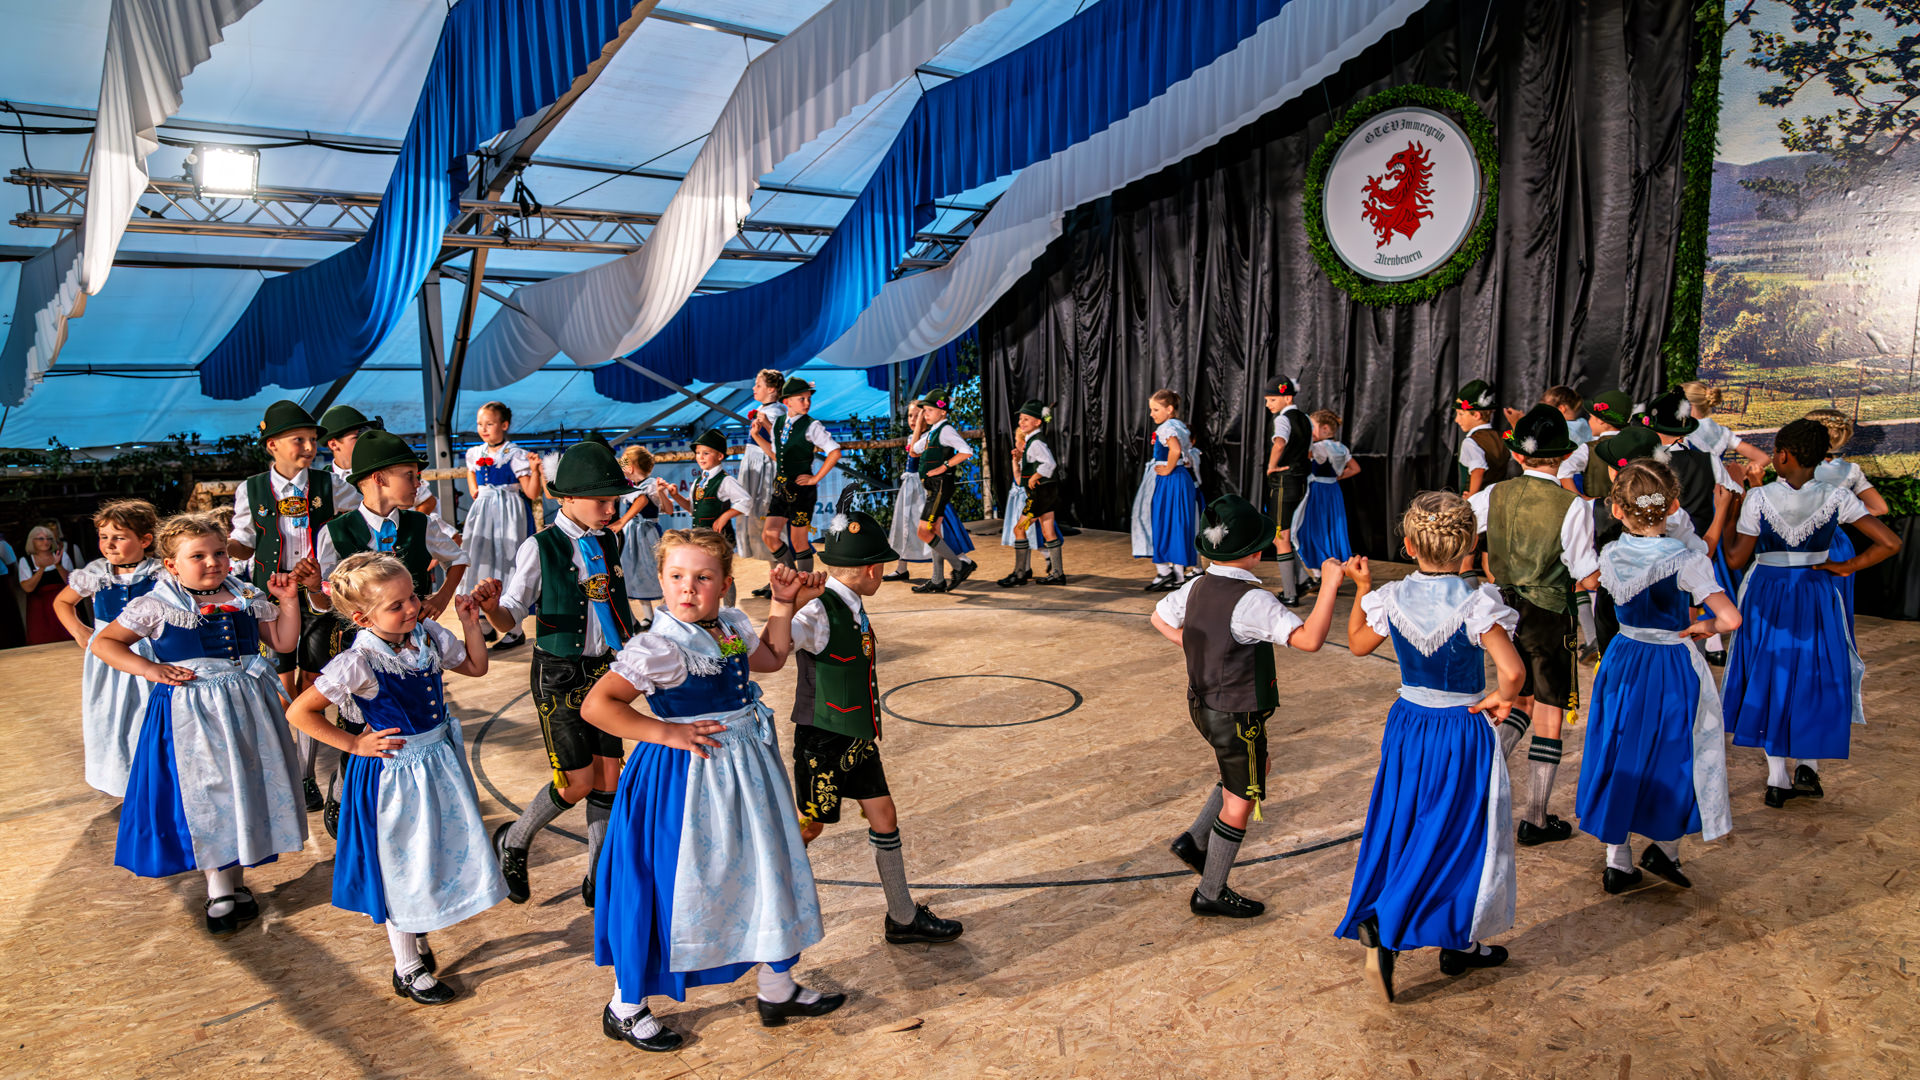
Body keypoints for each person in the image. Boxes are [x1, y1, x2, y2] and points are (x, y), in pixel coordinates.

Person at [580, 529, 840, 1052]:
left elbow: (771, 658)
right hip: (684, 779)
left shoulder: (729, 626)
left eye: (702, 578)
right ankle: (625, 1006)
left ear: (724, 585)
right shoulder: (658, 646)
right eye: (676, 576)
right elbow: (597, 706)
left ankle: (777, 987)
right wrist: (667, 732)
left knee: (763, 868)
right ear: (660, 581)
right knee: (667, 885)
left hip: (746, 771)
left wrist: (784, 604)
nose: (688, 588)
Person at [284, 553, 507, 1005]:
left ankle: (416, 929)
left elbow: (475, 667)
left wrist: (469, 623)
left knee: (430, 854)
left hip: (438, 762)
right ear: (363, 618)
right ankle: (407, 968)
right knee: (401, 865)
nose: (411, 609)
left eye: (412, 597)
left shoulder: (426, 635)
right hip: (395, 775)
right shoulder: (358, 661)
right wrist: (354, 744)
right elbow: (300, 712)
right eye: (396, 605)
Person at [1334, 492, 1524, 1003]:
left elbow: (1357, 644)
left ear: (1409, 545)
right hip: (1460, 728)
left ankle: (1454, 941)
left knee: (1405, 824)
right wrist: (1502, 699)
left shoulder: (1391, 597)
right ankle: (1394, 923)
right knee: (1457, 834)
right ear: (1469, 545)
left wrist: (1363, 588)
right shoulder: (1477, 603)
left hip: (1408, 725)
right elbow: (1512, 671)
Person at [92, 513, 307, 935]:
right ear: (171, 564)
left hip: (249, 708)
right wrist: (150, 669)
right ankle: (218, 888)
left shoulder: (245, 594)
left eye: (220, 552)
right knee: (211, 793)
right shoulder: (158, 604)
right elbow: (105, 643)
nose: (213, 562)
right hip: (193, 712)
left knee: (245, 789)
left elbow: (283, 641)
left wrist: (288, 601)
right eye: (198, 556)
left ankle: (235, 882)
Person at [1151, 495, 1342, 918]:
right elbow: (1309, 640)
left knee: (1255, 767)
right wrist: (1329, 584)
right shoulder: (1253, 601)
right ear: (1256, 552)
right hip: (1237, 713)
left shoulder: (1196, 585)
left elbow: (1158, 617)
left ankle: (1194, 840)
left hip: (1203, 705)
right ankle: (1210, 892)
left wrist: (1195, 648)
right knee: (1242, 798)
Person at [787, 509, 964, 944]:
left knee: (884, 815)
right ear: (871, 570)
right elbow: (774, 645)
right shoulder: (818, 611)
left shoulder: (848, 601)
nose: (883, 572)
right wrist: (787, 604)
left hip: (856, 737)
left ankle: (902, 917)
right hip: (822, 740)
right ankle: (761, 902)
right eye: (882, 566)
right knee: (809, 827)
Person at [480, 438, 637, 907]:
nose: (611, 509)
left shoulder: (611, 540)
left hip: (606, 670)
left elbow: (615, 604)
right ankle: (514, 840)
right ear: (566, 497)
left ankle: (597, 875)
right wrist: (491, 608)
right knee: (576, 782)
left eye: (614, 500)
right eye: (601, 500)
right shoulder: (540, 546)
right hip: (560, 673)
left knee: (609, 777)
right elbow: (511, 613)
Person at [1575, 461, 1737, 896]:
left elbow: (1592, 585)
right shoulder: (1686, 560)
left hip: (1623, 658)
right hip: (1669, 662)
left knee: (1618, 746)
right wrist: (1704, 626)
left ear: (1617, 510)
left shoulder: (1611, 554)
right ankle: (1665, 848)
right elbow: (1730, 618)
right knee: (1674, 751)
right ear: (1673, 506)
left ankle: (1617, 860)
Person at [1724, 419, 1901, 809]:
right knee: (1813, 672)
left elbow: (1736, 559)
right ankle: (1808, 766)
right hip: (1816, 590)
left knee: (1770, 674)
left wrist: (1729, 511)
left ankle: (1777, 778)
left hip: (1767, 594)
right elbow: (1890, 542)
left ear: (1783, 456)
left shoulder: (1759, 497)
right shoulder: (1836, 497)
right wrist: (1846, 566)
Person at [311, 429, 471, 836]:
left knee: (405, 716)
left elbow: (457, 558)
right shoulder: (336, 531)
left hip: (409, 640)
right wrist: (314, 590)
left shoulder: (421, 523)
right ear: (379, 478)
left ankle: (411, 799)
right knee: (358, 724)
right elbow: (326, 597)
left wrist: (439, 598)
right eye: (410, 475)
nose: (418, 483)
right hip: (357, 642)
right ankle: (345, 790)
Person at [1468, 404, 1598, 846]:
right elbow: (1584, 571)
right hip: (1549, 614)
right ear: (1565, 456)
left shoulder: (1494, 494)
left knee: (1516, 698)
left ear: (1518, 454)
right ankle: (1536, 818)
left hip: (1502, 611)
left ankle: (1480, 796)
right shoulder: (1572, 505)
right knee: (1548, 711)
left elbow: (1461, 524)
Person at [54, 499, 162, 796]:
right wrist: (82, 633)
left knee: (148, 714)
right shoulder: (97, 572)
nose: (109, 544)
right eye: (104, 537)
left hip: (149, 653)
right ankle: (120, 780)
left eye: (119, 537)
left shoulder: (160, 573)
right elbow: (63, 602)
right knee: (112, 716)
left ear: (145, 540)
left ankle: (153, 780)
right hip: (109, 659)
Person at [462, 401, 543, 650]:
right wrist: (475, 489)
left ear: (504, 425)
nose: (483, 429)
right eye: (480, 424)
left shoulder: (515, 454)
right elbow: (470, 472)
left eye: (489, 423)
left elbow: (531, 492)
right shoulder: (475, 452)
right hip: (484, 513)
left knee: (509, 560)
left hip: (509, 513)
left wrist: (535, 471)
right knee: (480, 558)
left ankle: (514, 628)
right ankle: (485, 623)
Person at [1805, 407, 1891, 631]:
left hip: (1802, 542)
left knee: (1802, 611)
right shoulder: (1850, 470)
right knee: (1834, 610)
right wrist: (1841, 515)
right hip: (1837, 543)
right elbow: (1880, 507)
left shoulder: (1797, 467)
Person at [752, 376, 843, 574]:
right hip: (781, 487)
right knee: (769, 535)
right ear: (787, 402)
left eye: (809, 398)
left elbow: (835, 452)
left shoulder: (812, 425)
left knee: (799, 541)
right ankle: (792, 575)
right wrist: (756, 436)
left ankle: (805, 582)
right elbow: (776, 455)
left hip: (802, 490)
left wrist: (815, 478)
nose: (807, 403)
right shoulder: (779, 423)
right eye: (802, 399)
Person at [904, 388, 975, 594]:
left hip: (940, 487)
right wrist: (920, 423)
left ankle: (960, 566)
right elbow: (913, 451)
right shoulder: (933, 432)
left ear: (943, 412)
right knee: (934, 531)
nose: (925, 414)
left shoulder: (945, 430)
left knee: (924, 531)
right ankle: (937, 579)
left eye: (929, 410)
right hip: (934, 487)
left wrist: (944, 466)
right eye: (924, 411)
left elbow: (966, 451)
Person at [670, 429, 752, 607]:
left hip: (719, 538)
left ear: (720, 456)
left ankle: (729, 609)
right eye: (698, 453)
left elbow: (746, 500)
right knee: (703, 575)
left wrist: (725, 516)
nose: (700, 457)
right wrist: (676, 496)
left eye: (706, 453)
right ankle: (707, 607)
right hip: (699, 538)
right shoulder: (698, 481)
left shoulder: (725, 481)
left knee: (723, 575)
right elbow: (693, 509)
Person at [1132, 390, 1201, 593]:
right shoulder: (1179, 426)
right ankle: (1176, 574)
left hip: (1171, 479)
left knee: (1162, 522)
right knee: (1176, 524)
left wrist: (1169, 468)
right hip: (1179, 479)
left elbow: (1176, 450)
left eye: (1156, 409)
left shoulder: (1167, 427)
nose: (1152, 414)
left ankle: (1168, 572)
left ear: (1169, 409)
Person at [1290, 409, 1358, 593]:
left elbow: (1303, 456)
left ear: (1325, 428)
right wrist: (1336, 477)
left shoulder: (1319, 448)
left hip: (1318, 493)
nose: (1311, 431)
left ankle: (1320, 574)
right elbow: (1355, 468)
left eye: (1313, 427)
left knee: (1312, 531)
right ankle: (1333, 571)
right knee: (1332, 530)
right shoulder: (1341, 447)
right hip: (1333, 492)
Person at [1000, 400, 1066, 586]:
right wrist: (1019, 460)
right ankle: (1058, 573)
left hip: (1040, 495)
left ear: (1038, 422)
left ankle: (1020, 573)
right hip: (1047, 492)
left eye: (1026, 419)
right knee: (1048, 531)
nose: (1021, 422)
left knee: (1019, 529)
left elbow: (1050, 463)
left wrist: (1035, 476)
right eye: (1020, 419)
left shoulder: (1036, 442)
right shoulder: (1032, 441)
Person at [740, 368, 789, 596]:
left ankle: (783, 576)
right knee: (760, 521)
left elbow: (778, 450)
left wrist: (765, 428)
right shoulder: (765, 410)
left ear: (771, 389)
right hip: (756, 465)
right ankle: (774, 577)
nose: (754, 388)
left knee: (769, 522)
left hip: (766, 470)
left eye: (758, 385)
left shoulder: (776, 413)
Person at [1263, 377, 1311, 605]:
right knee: (1285, 534)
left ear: (1288, 398)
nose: (1268, 405)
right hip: (1300, 481)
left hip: (1284, 483)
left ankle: (1290, 594)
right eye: (1267, 400)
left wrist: (1271, 466)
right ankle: (1303, 580)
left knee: (1279, 536)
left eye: (1272, 399)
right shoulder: (1305, 419)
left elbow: (1279, 443)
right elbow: (1309, 451)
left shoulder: (1283, 419)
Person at [611, 444, 668, 629]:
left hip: (648, 533)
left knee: (654, 569)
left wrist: (661, 493)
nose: (622, 466)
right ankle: (648, 616)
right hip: (632, 534)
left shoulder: (650, 485)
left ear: (631, 466)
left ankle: (666, 610)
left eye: (624, 463)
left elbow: (664, 507)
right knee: (634, 571)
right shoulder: (630, 487)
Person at [1681, 381, 1771, 486]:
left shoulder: (1682, 432)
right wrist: (1737, 475)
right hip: (1717, 491)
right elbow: (1763, 458)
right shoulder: (1721, 432)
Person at [1452, 379, 1511, 498]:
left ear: (1476, 415)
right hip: (1499, 499)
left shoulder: (1470, 442)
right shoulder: (1503, 437)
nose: (1457, 420)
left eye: (1461, 414)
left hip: (1478, 501)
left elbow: (1478, 470)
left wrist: (1471, 497)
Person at [18, 524, 74, 645]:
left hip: (62, 602)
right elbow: (27, 588)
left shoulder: (61, 556)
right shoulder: (25, 560)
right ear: (32, 541)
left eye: (49, 538)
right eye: (41, 538)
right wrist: (41, 569)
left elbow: (72, 583)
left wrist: (58, 566)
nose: (46, 541)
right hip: (39, 608)